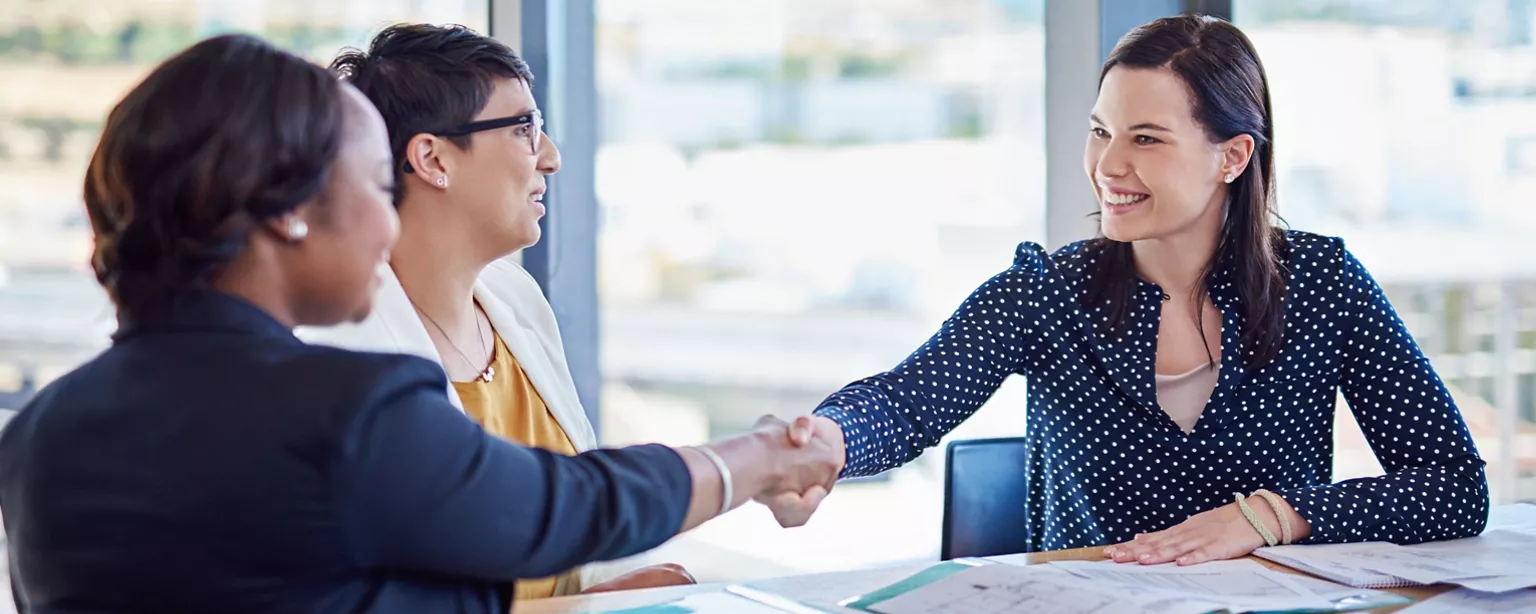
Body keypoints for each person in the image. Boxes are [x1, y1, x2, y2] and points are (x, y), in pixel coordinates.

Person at [0, 34, 839, 613]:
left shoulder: (41, 433)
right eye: (373, 184)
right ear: (291, 213)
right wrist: (757, 458)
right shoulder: (342, 410)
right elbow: (566, 506)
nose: (387, 220)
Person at [769, 14, 1490, 564]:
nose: (1107, 165)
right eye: (1100, 131)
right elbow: (905, 401)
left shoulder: (1323, 284)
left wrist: (1270, 516)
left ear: (1232, 156)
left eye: (1145, 138)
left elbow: (1455, 486)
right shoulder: (1046, 292)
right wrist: (826, 443)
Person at [299, 23, 690, 597]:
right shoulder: (335, 349)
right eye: (525, 129)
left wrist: (622, 590)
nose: (551, 159)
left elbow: (575, 528)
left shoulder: (516, 299)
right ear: (432, 158)